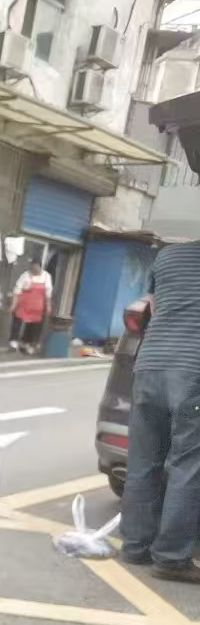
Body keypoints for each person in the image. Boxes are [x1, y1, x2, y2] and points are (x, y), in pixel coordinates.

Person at [120, 241, 200, 583]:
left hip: (149, 365)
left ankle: (135, 545)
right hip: (192, 369)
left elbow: (153, 304)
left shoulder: (168, 255)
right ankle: (170, 557)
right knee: (187, 464)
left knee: (143, 461)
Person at [9, 258, 51, 354]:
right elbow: (17, 291)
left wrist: (48, 306)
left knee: (33, 326)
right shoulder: (25, 275)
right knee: (17, 322)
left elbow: (48, 294)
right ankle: (13, 342)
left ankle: (27, 343)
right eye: (32, 268)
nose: (34, 271)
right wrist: (13, 304)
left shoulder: (46, 276)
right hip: (23, 304)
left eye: (36, 269)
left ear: (40, 267)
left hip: (37, 307)